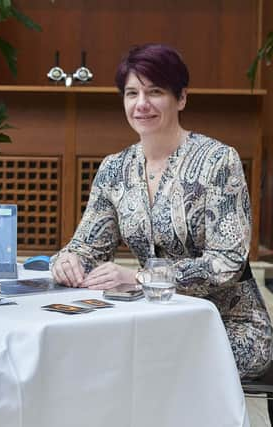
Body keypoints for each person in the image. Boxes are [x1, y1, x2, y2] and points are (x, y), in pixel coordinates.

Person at [49, 43, 272, 379]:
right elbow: (87, 247)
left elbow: (227, 262)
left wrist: (140, 277)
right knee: (87, 359)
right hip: (150, 319)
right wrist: (68, 262)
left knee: (146, 369)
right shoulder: (114, 169)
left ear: (181, 98)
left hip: (228, 324)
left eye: (155, 92)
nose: (141, 104)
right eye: (131, 93)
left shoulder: (218, 161)